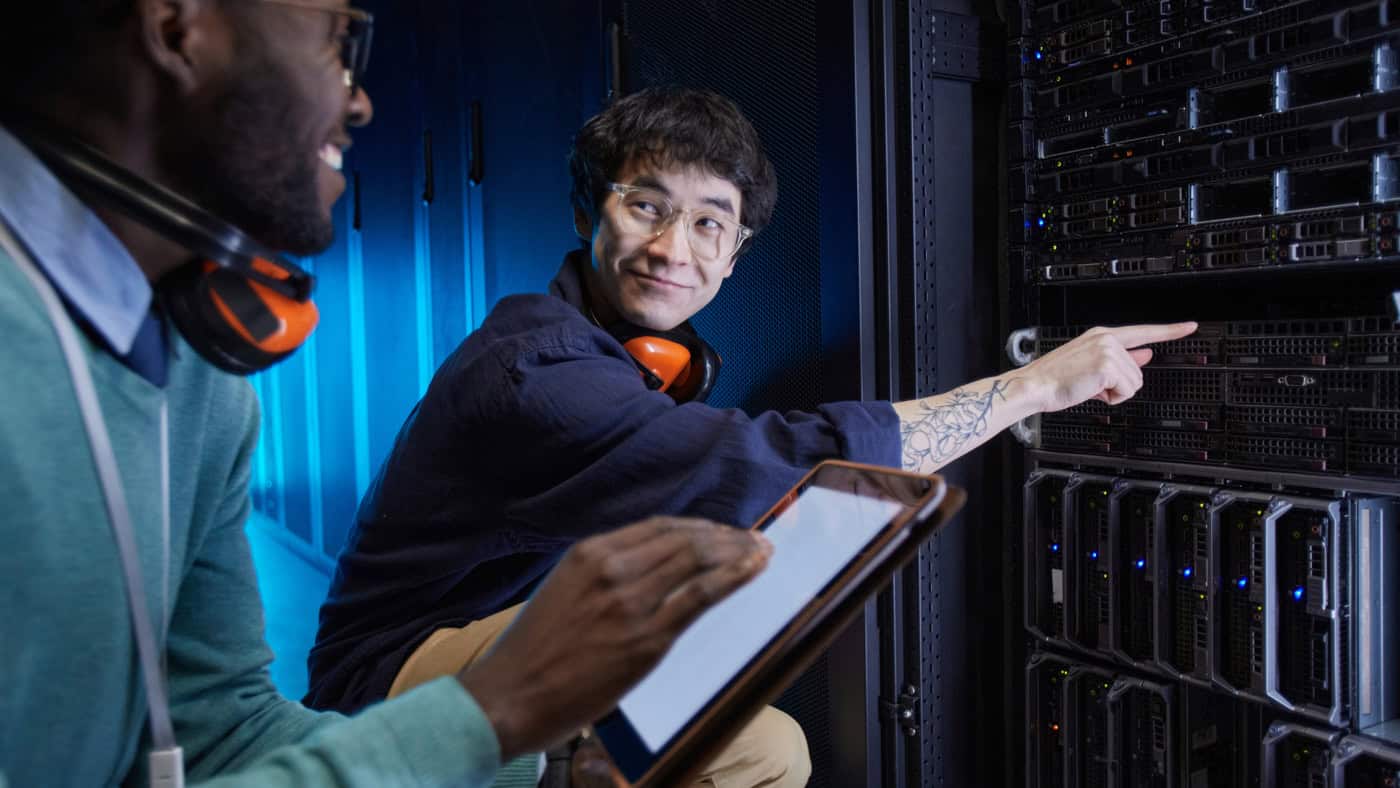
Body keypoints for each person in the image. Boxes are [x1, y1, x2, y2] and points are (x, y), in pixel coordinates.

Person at [306, 86, 1197, 782]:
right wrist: (1036, 386)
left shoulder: (644, 362)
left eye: (708, 224)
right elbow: (747, 468)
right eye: (645, 206)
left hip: (511, 623)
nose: (673, 248)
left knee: (751, 734)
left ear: (734, 258)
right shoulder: (533, 362)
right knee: (756, 750)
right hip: (384, 682)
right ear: (589, 214)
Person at [0, 3, 772, 786]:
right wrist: (495, 714)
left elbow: (225, 734)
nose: (360, 99)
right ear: (177, 27)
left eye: (712, 224)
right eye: (339, 40)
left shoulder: (199, 375)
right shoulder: (531, 357)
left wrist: (546, 772)